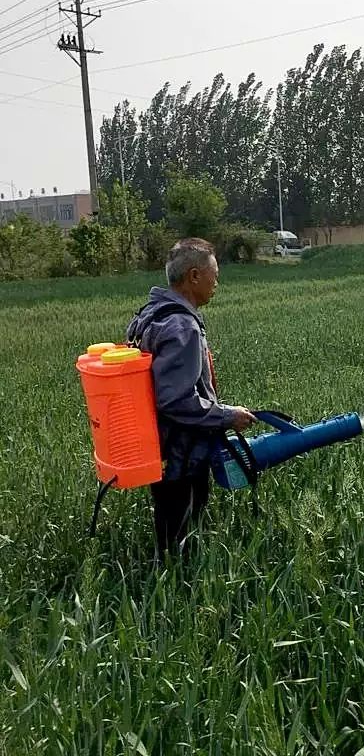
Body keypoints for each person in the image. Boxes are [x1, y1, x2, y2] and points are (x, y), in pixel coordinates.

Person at [126, 238, 256, 558]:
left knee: (170, 524)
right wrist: (228, 415)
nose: (217, 282)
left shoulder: (152, 313)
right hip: (181, 456)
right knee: (179, 539)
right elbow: (176, 400)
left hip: (161, 448)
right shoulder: (182, 326)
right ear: (194, 276)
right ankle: (171, 592)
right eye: (214, 274)